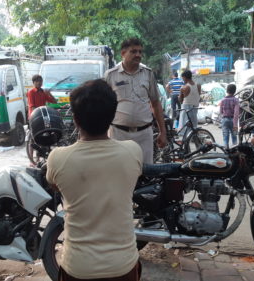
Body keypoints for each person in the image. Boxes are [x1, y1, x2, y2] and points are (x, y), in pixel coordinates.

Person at [46, 79, 143, 281]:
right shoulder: (133, 151)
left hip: (78, 268)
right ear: (113, 116)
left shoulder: (58, 158)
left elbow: (55, 185)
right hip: (123, 266)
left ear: (75, 119)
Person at [105, 38, 167, 164]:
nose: (138, 55)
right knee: (119, 172)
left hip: (144, 134)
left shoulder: (148, 74)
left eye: (140, 52)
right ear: (123, 53)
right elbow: (104, 106)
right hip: (118, 134)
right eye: (133, 51)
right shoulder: (111, 75)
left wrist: (163, 132)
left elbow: (155, 104)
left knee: (145, 173)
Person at [178, 70, 201, 137]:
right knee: (193, 123)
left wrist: (179, 95)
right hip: (195, 106)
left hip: (186, 107)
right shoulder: (198, 85)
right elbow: (198, 95)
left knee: (185, 123)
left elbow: (180, 100)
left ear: (185, 77)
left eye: (182, 78)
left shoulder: (184, 87)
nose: (183, 80)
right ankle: (193, 136)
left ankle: (186, 138)